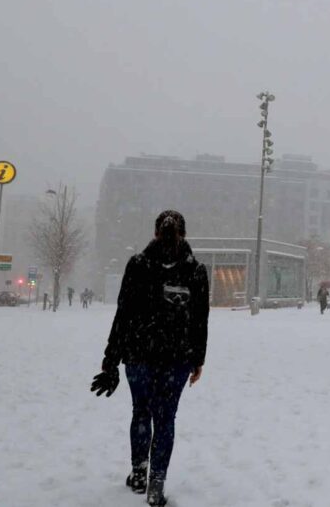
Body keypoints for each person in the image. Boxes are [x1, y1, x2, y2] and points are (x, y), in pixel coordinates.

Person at [90, 210, 209, 507]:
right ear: (185, 233)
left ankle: (139, 471)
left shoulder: (138, 265)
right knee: (166, 418)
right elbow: (199, 321)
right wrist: (198, 360)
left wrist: (111, 359)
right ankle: (156, 484)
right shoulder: (195, 270)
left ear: (156, 233)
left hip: (139, 354)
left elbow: (124, 314)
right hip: (177, 358)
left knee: (141, 411)